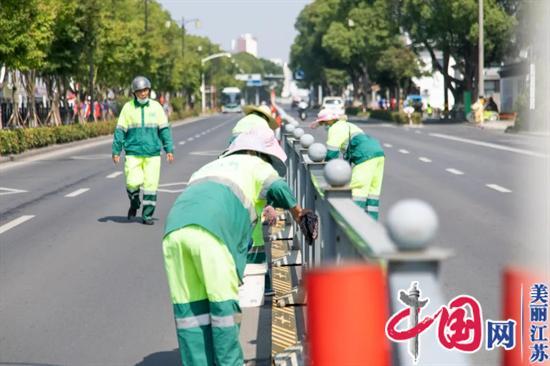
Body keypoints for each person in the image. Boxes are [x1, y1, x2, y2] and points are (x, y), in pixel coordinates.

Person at [162, 127, 308, 366]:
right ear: (256, 152)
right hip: (211, 234)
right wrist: (299, 213)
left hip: (174, 231)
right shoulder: (254, 163)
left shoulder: (208, 167)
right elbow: (278, 188)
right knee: (223, 311)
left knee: (190, 312)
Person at [112, 76, 174, 225]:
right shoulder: (128, 108)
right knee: (132, 183)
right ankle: (134, 203)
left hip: (152, 153)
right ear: (134, 92)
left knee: (151, 186)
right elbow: (120, 130)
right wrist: (116, 150)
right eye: (140, 91)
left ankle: (147, 216)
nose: (143, 93)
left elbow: (164, 130)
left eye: (145, 90)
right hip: (133, 152)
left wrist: (169, 149)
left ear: (149, 90)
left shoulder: (156, 107)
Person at [310, 109, 385, 220]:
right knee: (373, 192)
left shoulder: (335, 128)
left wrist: (326, 172)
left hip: (364, 156)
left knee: (358, 190)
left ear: (329, 121)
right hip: (378, 153)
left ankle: (354, 223)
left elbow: (331, 154)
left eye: (324, 123)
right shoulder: (347, 125)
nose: (324, 125)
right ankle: (371, 222)